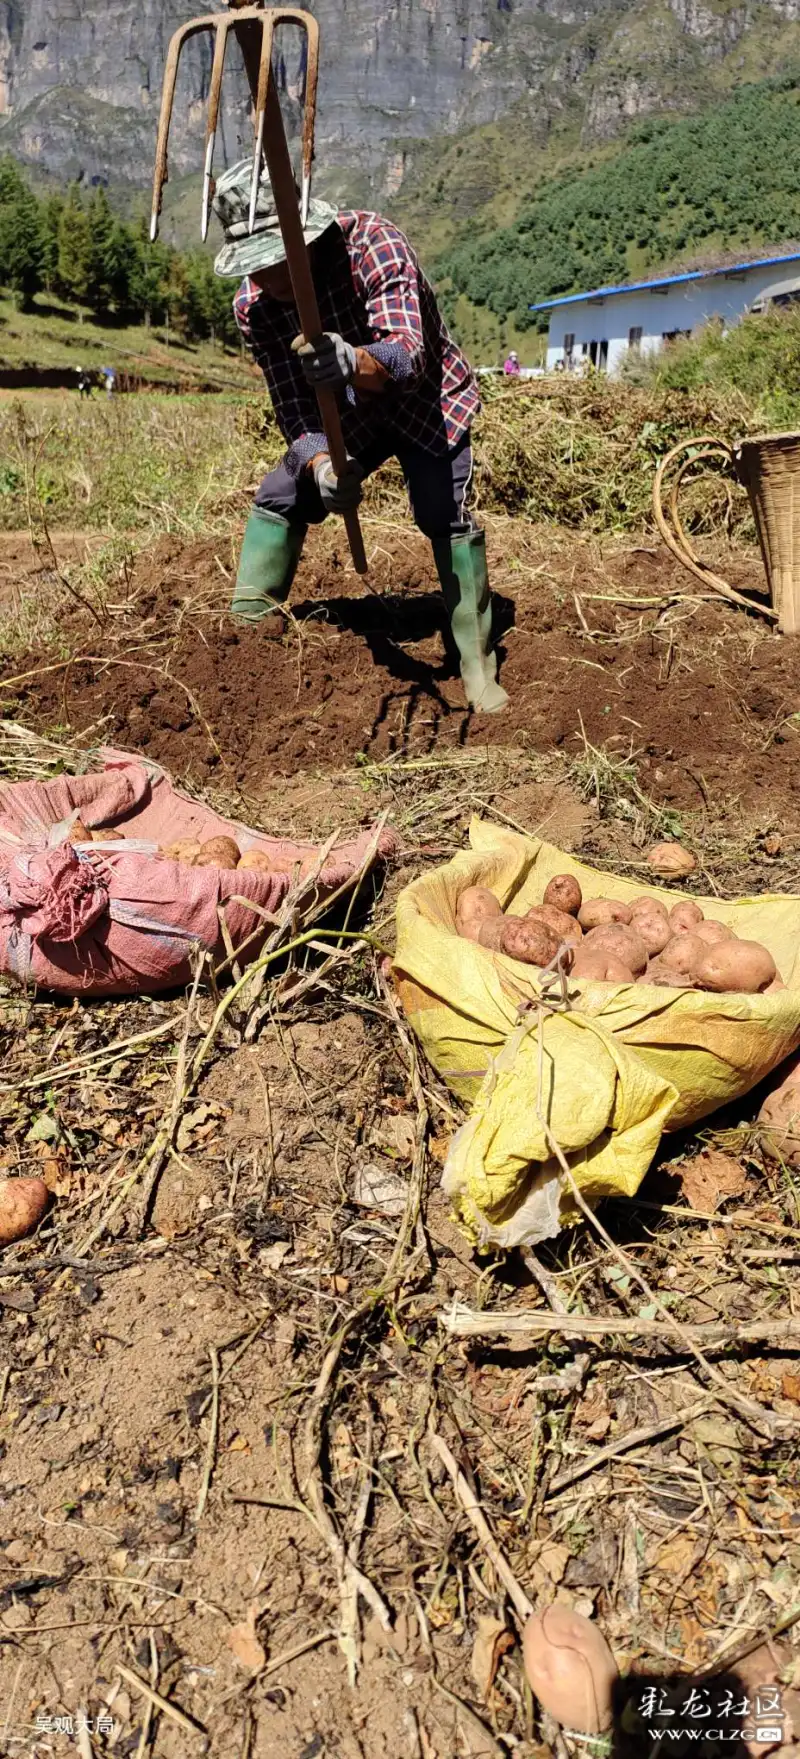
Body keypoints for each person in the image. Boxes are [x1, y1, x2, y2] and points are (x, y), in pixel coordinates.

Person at [211, 159, 507, 714]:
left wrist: (352, 358)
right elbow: (294, 409)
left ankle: (475, 660)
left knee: (440, 511)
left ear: (306, 236)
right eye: (255, 269)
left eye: (276, 261)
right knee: (282, 496)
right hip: (349, 418)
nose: (269, 281)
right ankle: (245, 642)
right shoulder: (254, 309)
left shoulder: (373, 243)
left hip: (426, 402)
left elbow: (410, 355)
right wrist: (322, 465)